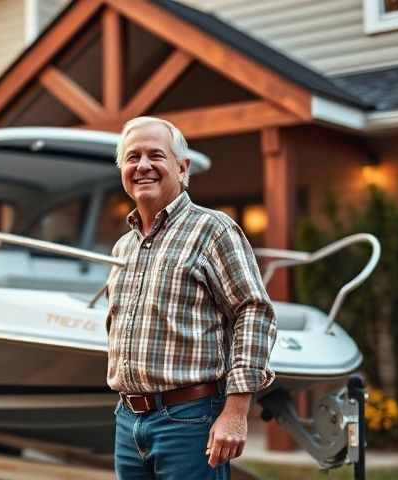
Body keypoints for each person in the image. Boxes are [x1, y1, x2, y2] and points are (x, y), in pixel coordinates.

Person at [106, 116, 277, 479]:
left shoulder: (213, 229)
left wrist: (235, 411)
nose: (143, 166)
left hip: (190, 419)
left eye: (156, 155)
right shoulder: (124, 246)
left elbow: (254, 313)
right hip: (128, 420)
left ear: (182, 168)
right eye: (133, 157)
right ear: (122, 170)